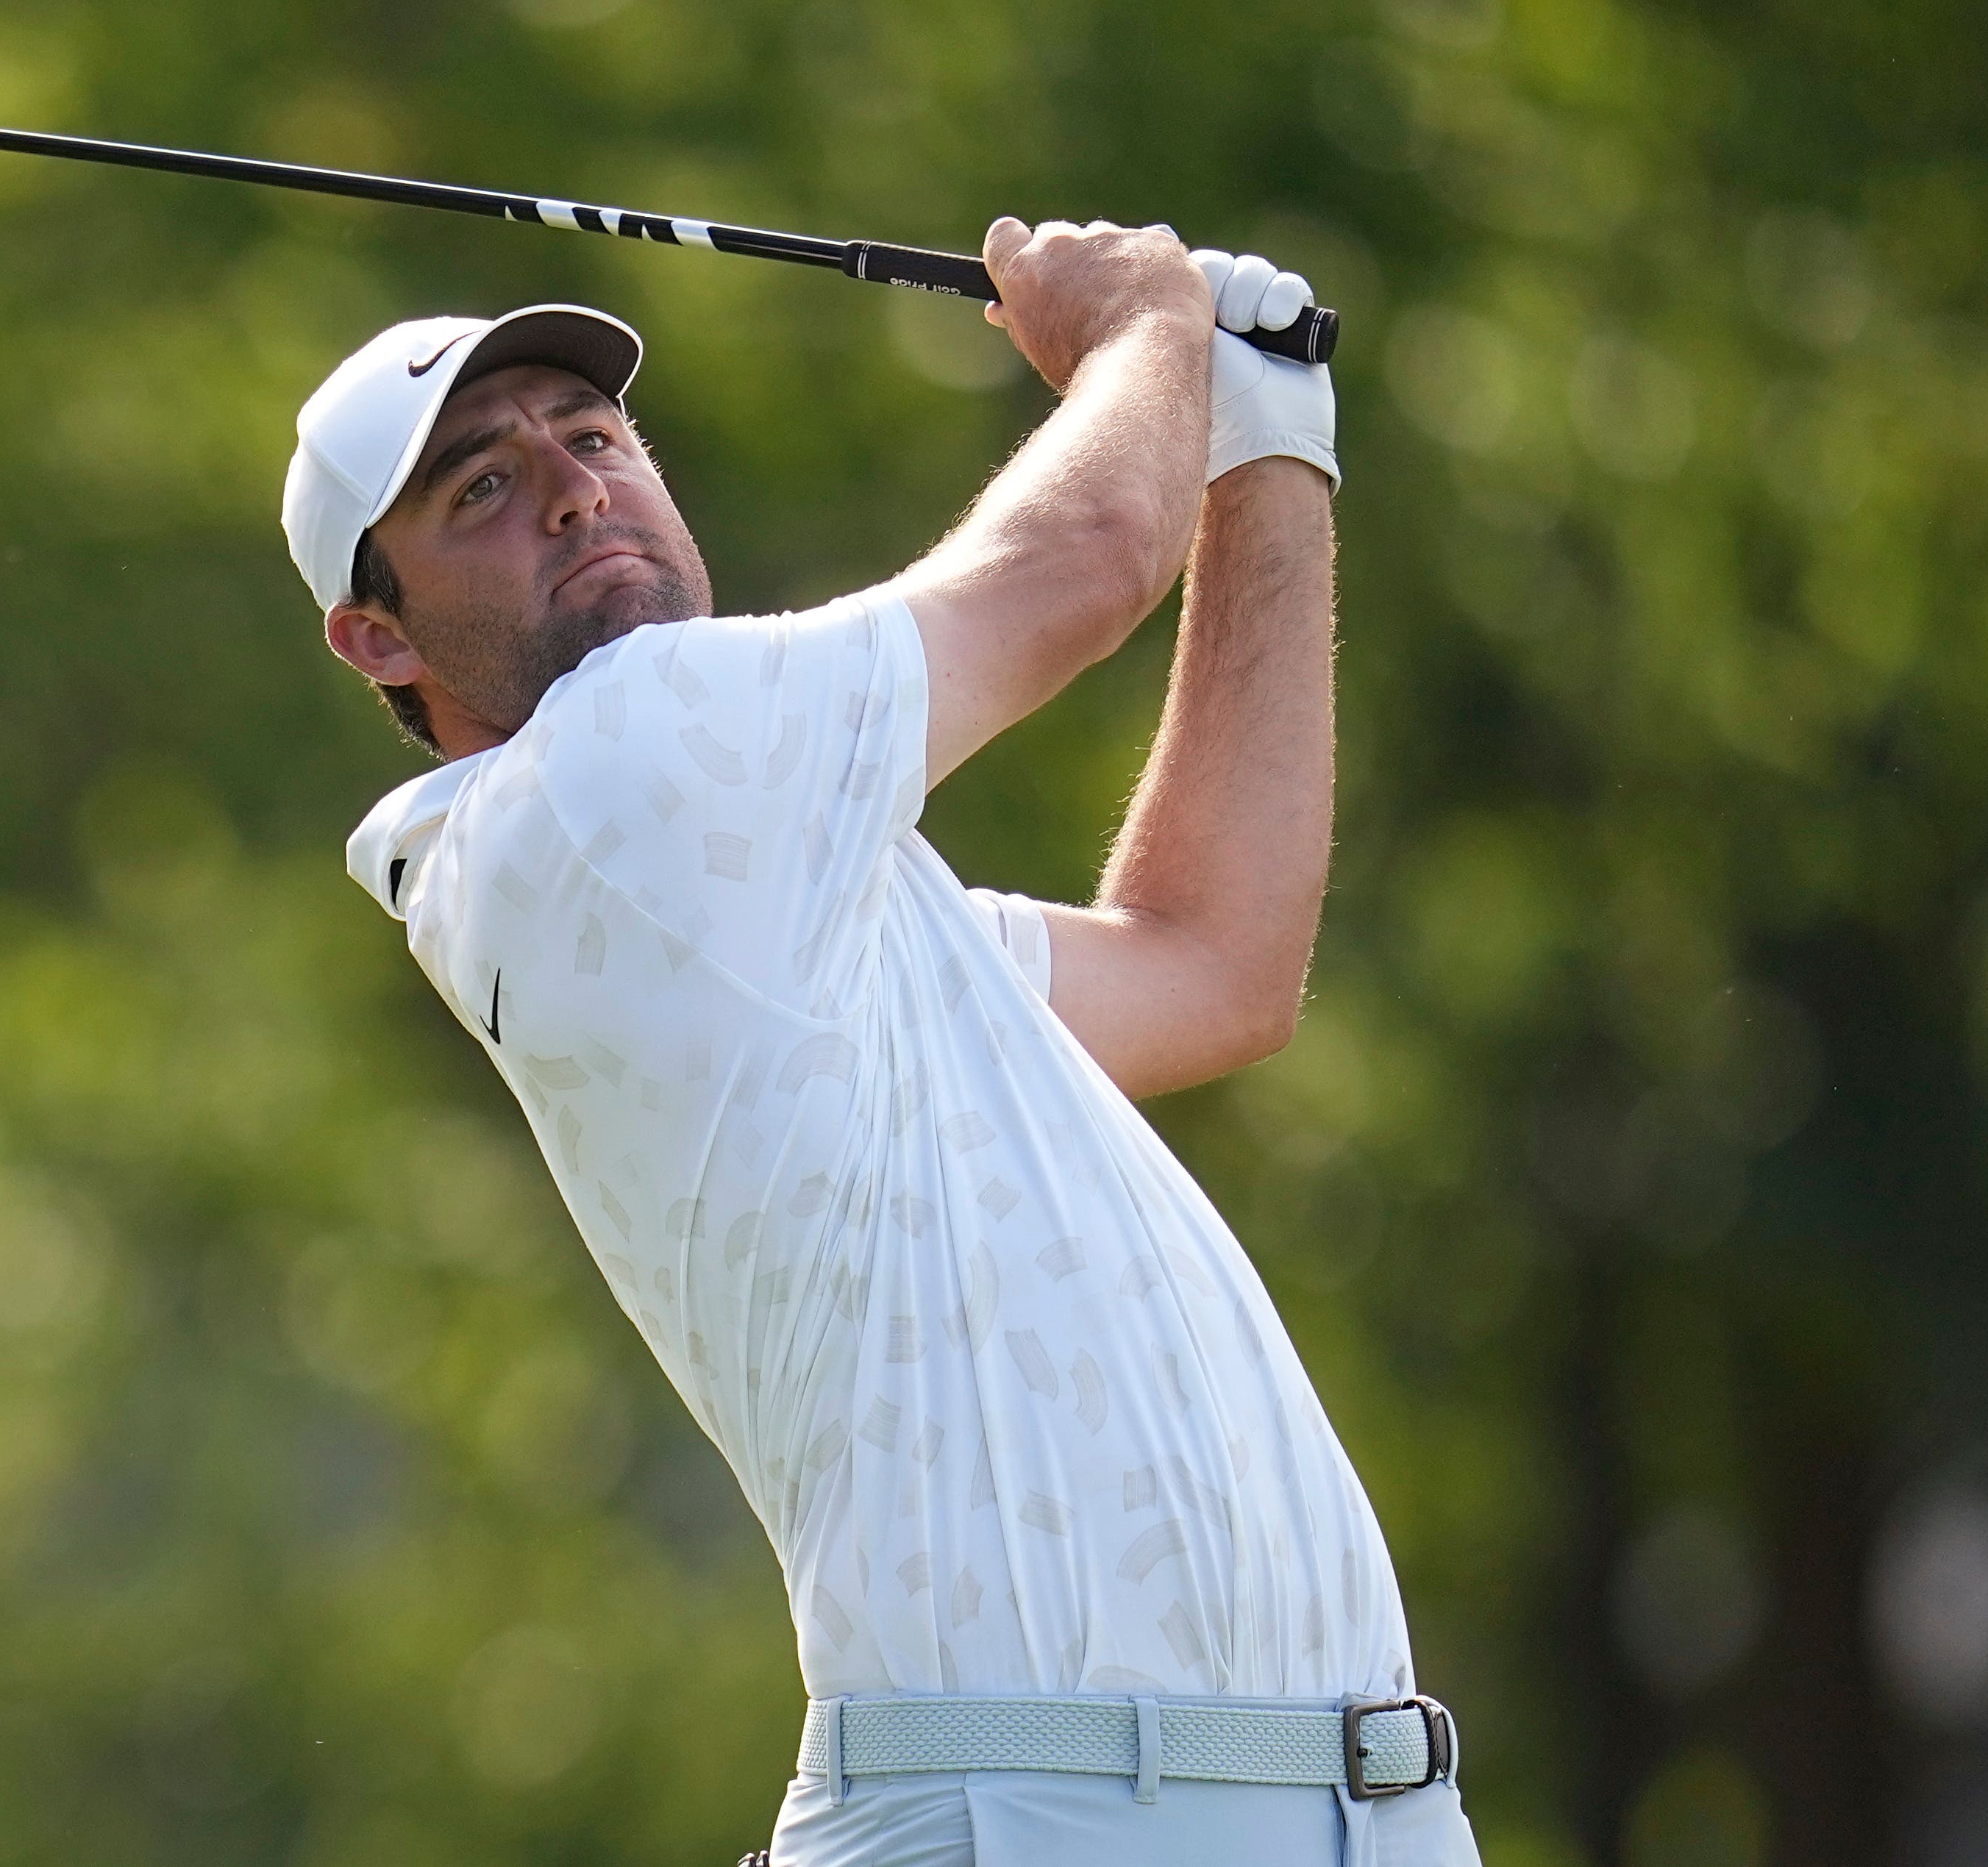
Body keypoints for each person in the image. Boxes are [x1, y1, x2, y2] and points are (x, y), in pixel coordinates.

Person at [279, 219, 1480, 1867]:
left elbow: (1213, 969)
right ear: (381, 640)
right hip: (1035, 1811)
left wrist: (1265, 453)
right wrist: (1145, 332)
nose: (570, 488)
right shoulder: (616, 775)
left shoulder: (778, 904)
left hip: (1320, 1812)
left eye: (594, 436)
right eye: (478, 488)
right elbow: (1088, 556)